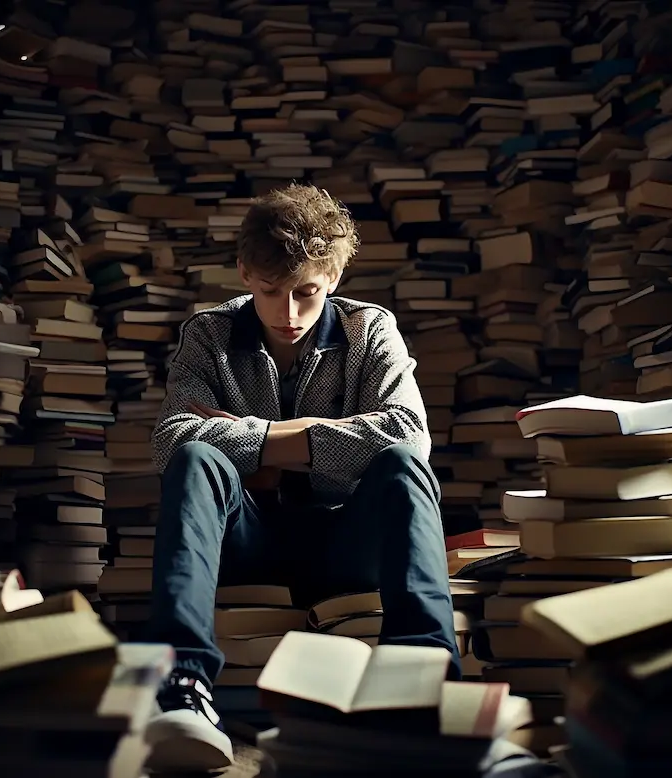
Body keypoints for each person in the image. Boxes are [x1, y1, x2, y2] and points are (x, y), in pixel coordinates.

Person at [143, 184, 457, 772]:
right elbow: (173, 440)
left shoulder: (371, 330)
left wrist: (255, 439)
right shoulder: (207, 334)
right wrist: (314, 438)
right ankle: (181, 687)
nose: (289, 315)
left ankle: (424, 686)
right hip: (248, 541)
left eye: (307, 293)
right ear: (243, 273)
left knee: (403, 467)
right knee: (195, 461)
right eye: (269, 293)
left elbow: (409, 435)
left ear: (333, 279)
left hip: (345, 539)